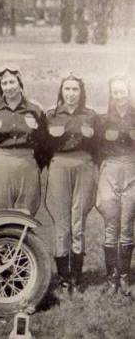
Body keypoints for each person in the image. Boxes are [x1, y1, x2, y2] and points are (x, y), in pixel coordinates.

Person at [44, 74, 97, 297]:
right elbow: (43, 146)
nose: (71, 93)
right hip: (59, 165)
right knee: (61, 222)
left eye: (75, 89)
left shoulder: (91, 115)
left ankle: (76, 276)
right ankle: (64, 278)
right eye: (67, 89)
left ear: (81, 92)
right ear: (61, 91)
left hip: (83, 165)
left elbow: (99, 145)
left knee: (78, 220)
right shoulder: (51, 115)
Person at [0, 64, 47, 215]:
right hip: (0, 165)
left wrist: (36, 164)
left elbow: (44, 141)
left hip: (27, 166)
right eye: (4, 83)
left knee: (25, 215)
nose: (9, 87)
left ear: (20, 85)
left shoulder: (35, 109)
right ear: (0, 86)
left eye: (12, 82)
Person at [96, 75, 135, 297]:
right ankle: (111, 277)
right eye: (115, 92)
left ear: (129, 92)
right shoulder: (102, 120)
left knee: (127, 224)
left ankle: (125, 276)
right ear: (111, 94)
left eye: (123, 91)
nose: (119, 96)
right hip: (110, 170)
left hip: (132, 170)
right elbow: (95, 149)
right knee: (111, 224)